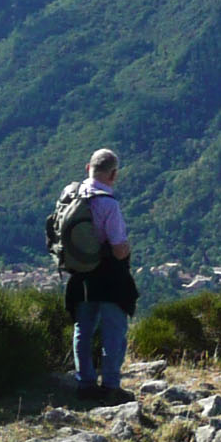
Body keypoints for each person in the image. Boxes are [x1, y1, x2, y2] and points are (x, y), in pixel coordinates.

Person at [63, 148, 136, 403]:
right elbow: (118, 249)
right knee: (113, 330)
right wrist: (127, 249)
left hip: (79, 275)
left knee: (82, 328)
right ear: (113, 174)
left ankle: (85, 383)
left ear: (87, 168)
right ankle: (111, 386)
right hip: (108, 277)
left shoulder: (70, 196)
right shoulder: (108, 204)